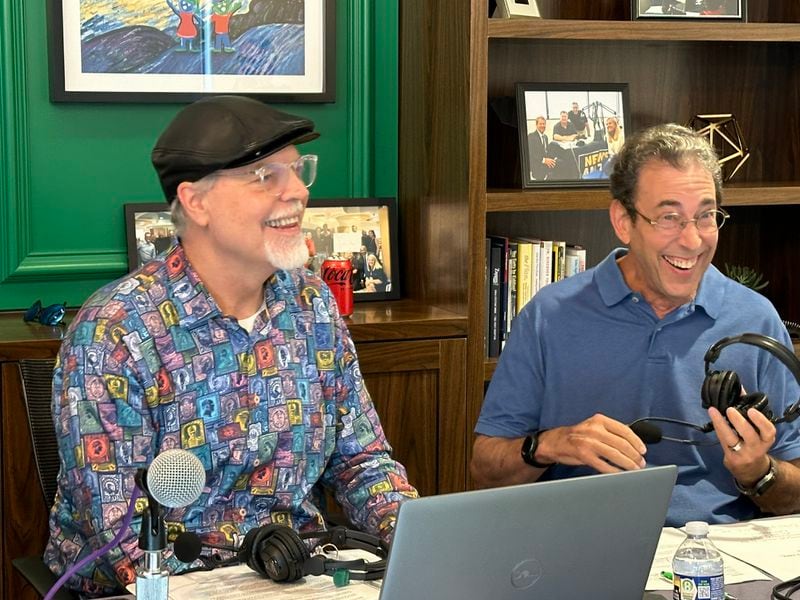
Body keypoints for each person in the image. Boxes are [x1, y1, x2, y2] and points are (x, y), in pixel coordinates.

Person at [44, 95, 418, 597]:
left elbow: (361, 460)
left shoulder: (313, 305)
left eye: (297, 170)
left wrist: (416, 540)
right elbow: (119, 536)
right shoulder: (114, 332)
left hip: (298, 575)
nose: (298, 192)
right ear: (196, 203)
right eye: (266, 176)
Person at [471, 123, 800, 528]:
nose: (693, 241)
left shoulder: (755, 318)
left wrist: (758, 471)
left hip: (717, 552)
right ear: (623, 221)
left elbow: (794, 491)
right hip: (578, 546)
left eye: (706, 216)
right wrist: (551, 444)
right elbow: (485, 472)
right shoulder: (549, 315)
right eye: (669, 217)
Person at [527, 116, 557, 181]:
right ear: (536, 125)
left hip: (544, 163)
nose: (542, 125)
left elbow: (545, 152)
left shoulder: (545, 137)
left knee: (559, 164)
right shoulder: (531, 136)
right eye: (540, 124)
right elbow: (531, 154)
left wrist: (552, 159)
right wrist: (544, 160)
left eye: (544, 124)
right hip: (537, 165)